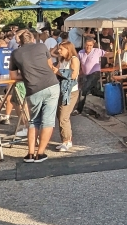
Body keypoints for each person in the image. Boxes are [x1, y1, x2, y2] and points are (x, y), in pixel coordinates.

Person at [9, 34, 60, 163]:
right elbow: (50, 67)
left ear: (20, 41)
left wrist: (27, 76)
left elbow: (13, 76)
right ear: (32, 39)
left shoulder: (15, 53)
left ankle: (30, 153)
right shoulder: (42, 46)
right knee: (48, 121)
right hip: (51, 84)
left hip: (33, 88)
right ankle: (40, 153)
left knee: (34, 121)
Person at [53, 41, 81, 153]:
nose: (59, 51)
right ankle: (66, 139)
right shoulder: (62, 60)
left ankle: (66, 141)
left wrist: (58, 72)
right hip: (61, 90)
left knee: (63, 116)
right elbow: (57, 70)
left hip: (71, 92)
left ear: (68, 49)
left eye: (61, 49)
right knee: (60, 115)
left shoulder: (74, 59)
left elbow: (73, 75)